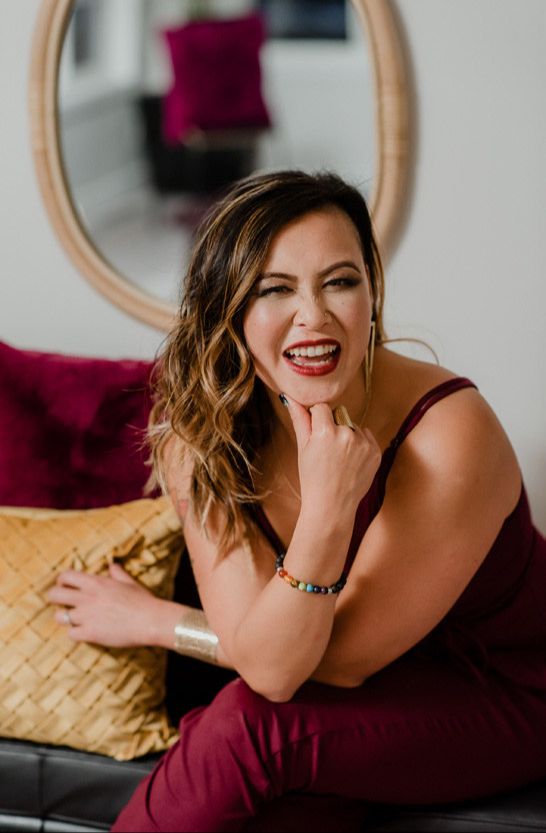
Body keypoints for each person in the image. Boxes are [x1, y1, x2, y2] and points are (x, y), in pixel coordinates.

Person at [48, 171, 546, 832]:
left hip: (506, 693)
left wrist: (169, 621)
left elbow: (304, 671)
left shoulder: (450, 432)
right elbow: (267, 655)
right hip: (371, 699)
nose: (313, 315)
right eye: (274, 289)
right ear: (228, 309)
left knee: (249, 727)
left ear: (372, 293)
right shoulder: (201, 435)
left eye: (339, 281)